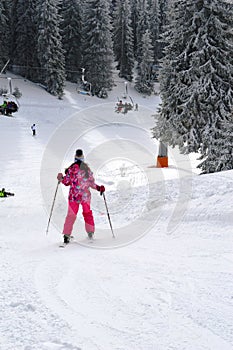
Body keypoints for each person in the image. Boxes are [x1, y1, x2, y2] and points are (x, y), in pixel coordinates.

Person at [57, 149, 105, 244]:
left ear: (75, 158)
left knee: (71, 215)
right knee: (87, 213)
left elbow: (66, 182)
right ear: (83, 158)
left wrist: (61, 178)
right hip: (85, 196)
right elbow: (91, 183)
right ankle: (90, 232)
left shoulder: (71, 170)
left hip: (74, 196)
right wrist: (99, 188)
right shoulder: (87, 170)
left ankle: (66, 235)